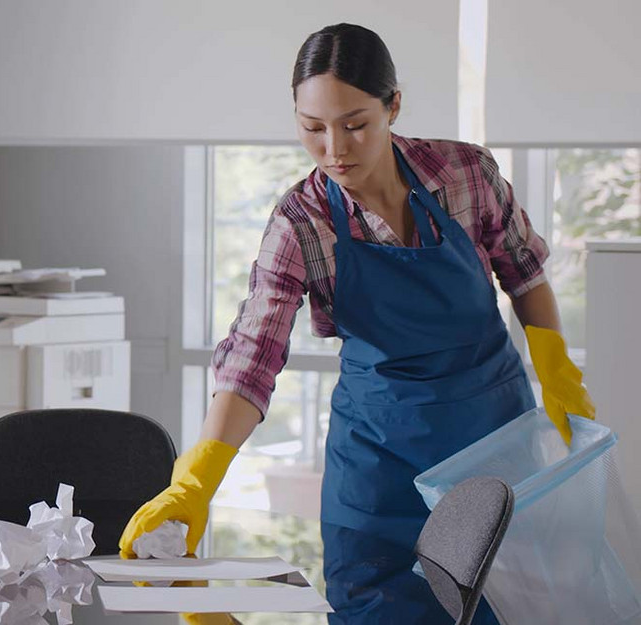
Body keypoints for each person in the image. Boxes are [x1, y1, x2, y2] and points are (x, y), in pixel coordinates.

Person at [118, 23, 596, 624]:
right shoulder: (302, 222)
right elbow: (253, 356)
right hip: (378, 465)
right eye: (311, 128)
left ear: (394, 105)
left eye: (355, 124)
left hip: (489, 450)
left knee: (499, 610)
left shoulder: (464, 174)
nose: (334, 149)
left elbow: (523, 272)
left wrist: (554, 364)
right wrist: (198, 479)